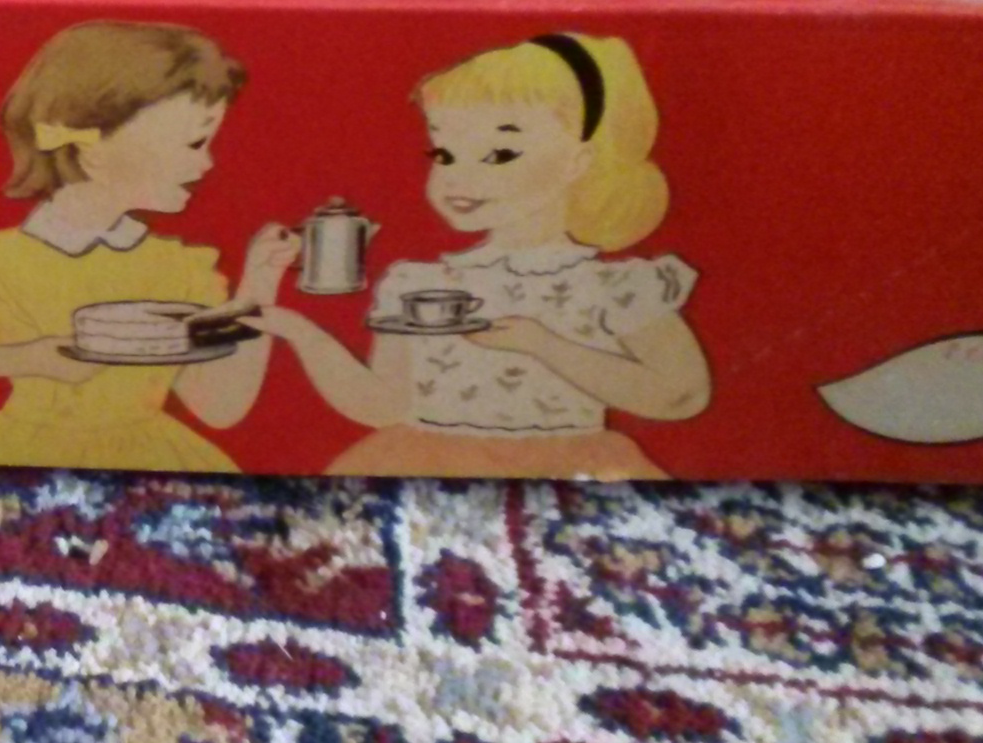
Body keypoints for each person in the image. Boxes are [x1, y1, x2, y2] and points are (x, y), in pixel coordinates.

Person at [0, 20, 296, 472]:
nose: (208, 162)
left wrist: (259, 283)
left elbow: (221, 407)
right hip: (16, 459)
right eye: (193, 143)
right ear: (92, 146)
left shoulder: (179, 269)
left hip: (152, 462)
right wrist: (24, 359)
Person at [258, 32, 710, 479]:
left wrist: (543, 345)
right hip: (423, 467)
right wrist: (299, 332)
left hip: (566, 471)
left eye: (499, 154)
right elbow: (384, 406)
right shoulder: (417, 285)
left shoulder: (611, 286)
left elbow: (681, 396)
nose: (458, 177)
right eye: (444, 154)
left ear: (577, 161)